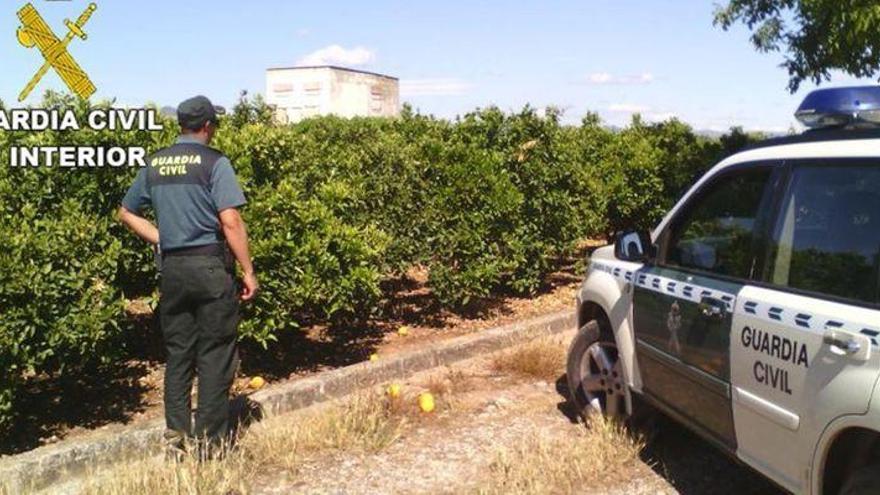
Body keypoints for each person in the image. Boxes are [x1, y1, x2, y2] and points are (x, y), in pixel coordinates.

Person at [118, 95, 258, 457]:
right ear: (208, 126)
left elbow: (127, 212)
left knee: (179, 354)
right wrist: (249, 270)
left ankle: (176, 440)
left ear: (180, 125)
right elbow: (230, 220)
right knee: (215, 353)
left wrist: (162, 239)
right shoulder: (215, 163)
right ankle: (210, 445)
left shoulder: (155, 164)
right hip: (210, 268)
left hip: (173, 271)